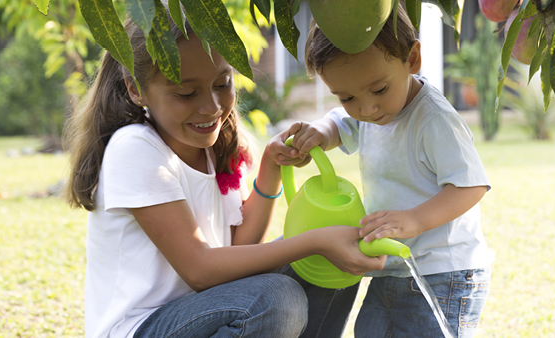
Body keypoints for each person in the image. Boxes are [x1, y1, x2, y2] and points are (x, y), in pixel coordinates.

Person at [63, 10, 385, 338]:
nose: (212, 106)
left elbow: (239, 244)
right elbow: (200, 270)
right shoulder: (135, 148)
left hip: (209, 308)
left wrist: (270, 170)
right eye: (187, 93)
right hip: (142, 327)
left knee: (333, 262)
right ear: (136, 89)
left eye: (223, 83)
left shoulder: (216, 148)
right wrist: (314, 242)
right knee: (275, 296)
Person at [282, 5, 494, 337]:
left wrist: (414, 220)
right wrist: (321, 132)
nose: (366, 108)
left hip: (442, 271)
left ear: (411, 59)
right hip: (392, 267)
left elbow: (471, 186)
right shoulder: (371, 111)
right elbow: (341, 121)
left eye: (379, 89)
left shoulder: (433, 119)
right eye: (348, 96)